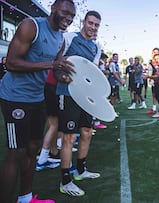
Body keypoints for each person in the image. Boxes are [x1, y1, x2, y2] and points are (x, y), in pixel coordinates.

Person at [0, 0, 76, 202]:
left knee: (33, 149)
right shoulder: (30, 25)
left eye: (72, 16)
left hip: (37, 97)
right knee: (16, 153)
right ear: (53, 8)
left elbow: (55, 70)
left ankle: (25, 198)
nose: (68, 18)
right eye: (65, 12)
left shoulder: (60, 39)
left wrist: (66, 77)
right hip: (15, 97)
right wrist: (52, 64)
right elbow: (11, 62)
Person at [56, 10, 102, 197]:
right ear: (84, 22)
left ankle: (80, 171)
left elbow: (94, 73)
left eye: (96, 25)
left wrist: (94, 95)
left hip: (85, 97)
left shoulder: (96, 47)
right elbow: (56, 60)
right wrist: (61, 75)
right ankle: (65, 181)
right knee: (69, 137)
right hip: (67, 94)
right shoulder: (68, 37)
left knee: (86, 132)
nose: (92, 27)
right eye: (90, 23)